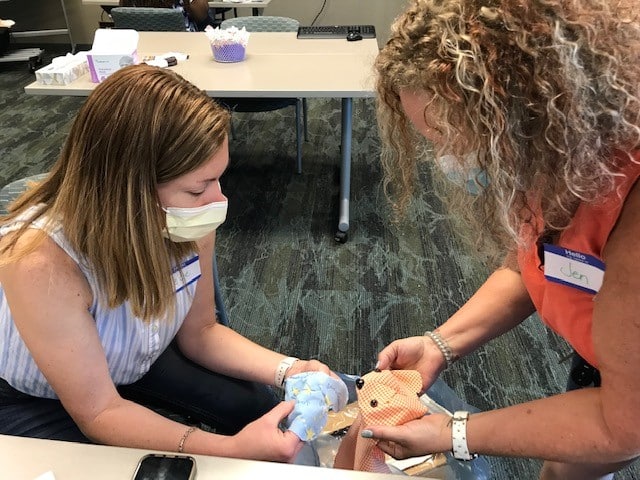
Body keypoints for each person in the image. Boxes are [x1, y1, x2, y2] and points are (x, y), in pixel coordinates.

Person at [359, 0, 640, 479]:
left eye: (450, 138)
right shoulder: (552, 156)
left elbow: (623, 422)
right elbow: (539, 263)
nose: (444, 158)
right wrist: (439, 345)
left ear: (528, 114)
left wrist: (453, 433)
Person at [0, 63, 336, 462]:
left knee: (260, 408)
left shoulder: (191, 217)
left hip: (136, 359)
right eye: (198, 188)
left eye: (218, 179)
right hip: (36, 396)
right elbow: (100, 411)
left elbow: (201, 332)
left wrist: (291, 369)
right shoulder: (38, 261)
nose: (218, 200)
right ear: (129, 192)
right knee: (111, 467)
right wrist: (226, 450)